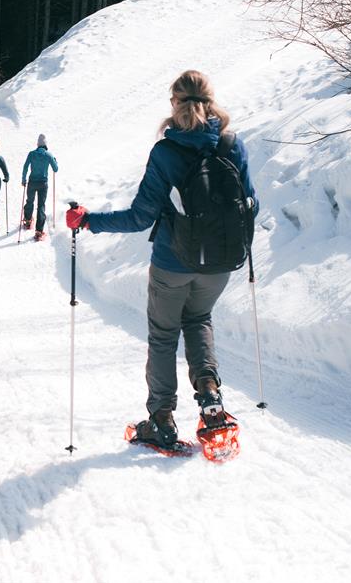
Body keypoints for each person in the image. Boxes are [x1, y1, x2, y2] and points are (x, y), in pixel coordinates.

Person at [66, 70, 257, 449]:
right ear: (211, 99)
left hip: (173, 262)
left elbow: (140, 217)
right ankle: (210, 400)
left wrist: (89, 221)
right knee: (199, 319)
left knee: (164, 336)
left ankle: (161, 420)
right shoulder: (231, 144)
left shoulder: (167, 152)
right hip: (220, 264)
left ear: (174, 103)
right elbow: (251, 204)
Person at [20, 133, 59, 241]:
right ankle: (39, 231)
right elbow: (56, 169)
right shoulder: (48, 155)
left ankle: (28, 221)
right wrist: (54, 161)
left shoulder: (31, 154)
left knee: (30, 201)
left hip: (32, 182)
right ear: (45, 145)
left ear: (37, 144)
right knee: (41, 205)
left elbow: (25, 167)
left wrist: (23, 179)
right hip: (43, 184)